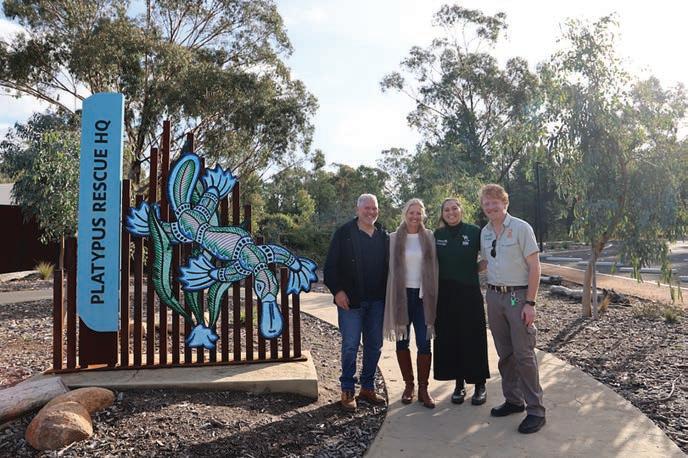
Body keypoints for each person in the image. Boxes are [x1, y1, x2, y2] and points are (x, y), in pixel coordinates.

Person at [479, 184, 546, 434]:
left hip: (518, 297)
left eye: (495, 202)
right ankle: (514, 400)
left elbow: (535, 266)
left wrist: (530, 303)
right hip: (494, 297)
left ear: (505, 203)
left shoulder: (521, 228)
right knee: (505, 353)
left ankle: (536, 411)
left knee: (524, 355)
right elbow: (486, 261)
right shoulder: (485, 232)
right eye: (486, 203)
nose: (491, 207)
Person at [324, 193, 389, 411]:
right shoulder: (344, 233)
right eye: (366, 208)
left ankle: (368, 388)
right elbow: (330, 267)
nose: (371, 212)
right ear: (358, 210)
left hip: (377, 302)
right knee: (350, 345)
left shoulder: (384, 235)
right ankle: (348, 389)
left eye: (374, 208)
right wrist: (337, 291)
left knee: (374, 345)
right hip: (351, 302)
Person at [433, 198, 490, 406]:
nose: (451, 212)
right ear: (442, 214)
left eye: (454, 208)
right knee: (451, 338)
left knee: (473, 336)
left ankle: (480, 384)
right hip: (445, 295)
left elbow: (487, 258)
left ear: (461, 210)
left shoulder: (474, 231)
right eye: (446, 210)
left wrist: (472, 270)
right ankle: (459, 384)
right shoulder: (437, 235)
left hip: (469, 292)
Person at [383, 198, 439, 408]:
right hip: (402, 296)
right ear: (405, 214)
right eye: (411, 212)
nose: (415, 216)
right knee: (402, 342)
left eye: (418, 213)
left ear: (423, 215)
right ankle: (409, 386)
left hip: (424, 297)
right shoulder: (393, 238)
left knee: (424, 343)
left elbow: (437, 266)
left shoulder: (430, 237)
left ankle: (424, 388)